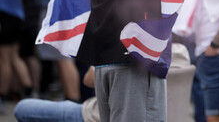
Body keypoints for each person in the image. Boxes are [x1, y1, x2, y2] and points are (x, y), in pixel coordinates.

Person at [14, 43, 195, 122]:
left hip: (96, 115)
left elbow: (88, 80)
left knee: (23, 108)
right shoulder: (180, 52)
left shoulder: (121, 49)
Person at [0, 0, 33, 114]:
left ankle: (2, 96)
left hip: (6, 14)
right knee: (13, 57)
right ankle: (28, 89)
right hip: (16, 15)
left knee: (4, 59)